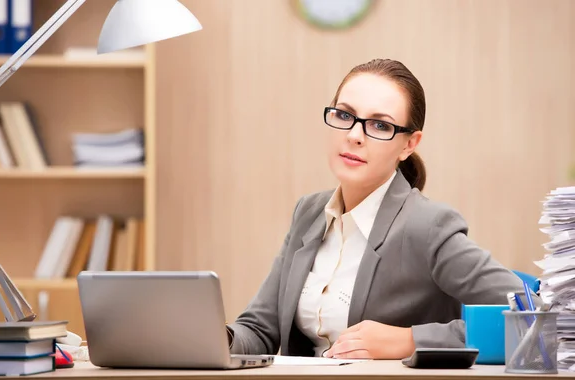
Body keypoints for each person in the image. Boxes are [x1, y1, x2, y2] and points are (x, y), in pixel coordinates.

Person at [226, 58, 527, 360]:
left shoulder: (428, 225)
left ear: (409, 144)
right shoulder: (309, 212)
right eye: (345, 115)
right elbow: (259, 329)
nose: (355, 135)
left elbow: (531, 317)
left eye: (380, 125)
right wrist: (214, 338)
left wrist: (410, 340)